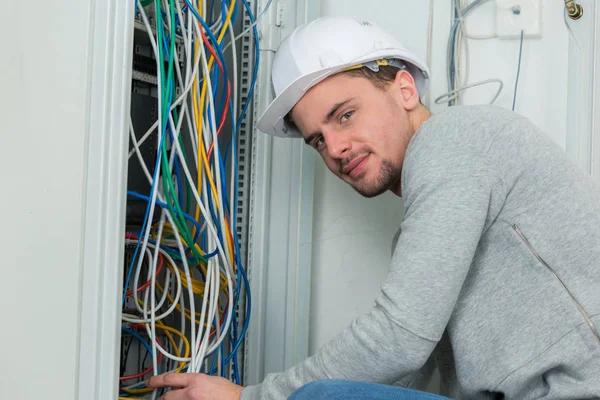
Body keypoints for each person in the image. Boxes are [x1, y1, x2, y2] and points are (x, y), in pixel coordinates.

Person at [146, 15, 600, 400]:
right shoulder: (427, 213)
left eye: (345, 115)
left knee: (321, 398)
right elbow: (410, 365)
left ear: (404, 89)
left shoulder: (456, 140)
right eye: (318, 140)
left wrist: (253, 398)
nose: (336, 148)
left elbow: (399, 338)